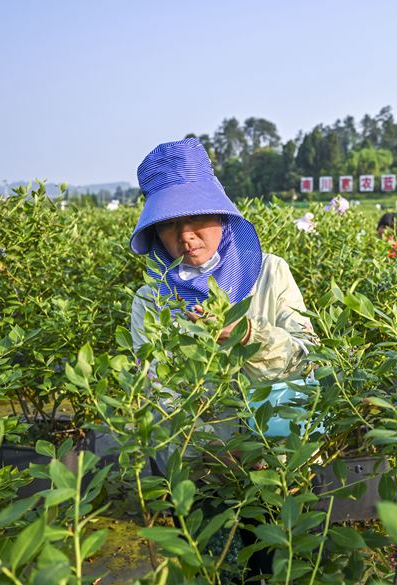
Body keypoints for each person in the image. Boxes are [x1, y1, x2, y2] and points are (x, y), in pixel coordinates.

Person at [128, 138, 316, 578]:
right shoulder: (150, 300)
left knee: (275, 567)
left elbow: (307, 356)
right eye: (170, 225)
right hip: (203, 471)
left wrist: (252, 336)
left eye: (197, 219)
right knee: (216, 567)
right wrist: (208, 449)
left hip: (274, 461)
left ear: (222, 214)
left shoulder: (271, 273)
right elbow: (154, 390)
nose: (186, 236)